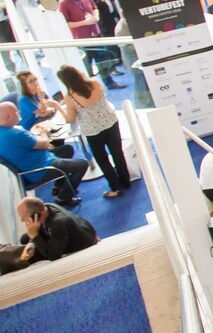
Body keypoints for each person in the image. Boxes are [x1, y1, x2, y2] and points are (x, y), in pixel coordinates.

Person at [55, 64, 131, 198]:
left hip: (93, 131)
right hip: (110, 122)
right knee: (117, 153)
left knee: (102, 159)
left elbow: (70, 119)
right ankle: (126, 181)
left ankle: (115, 187)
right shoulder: (95, 83)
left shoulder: (70, 97)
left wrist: (58, 106)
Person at [0, 101, 89, 206]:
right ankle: (63, 198)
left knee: (67, 149)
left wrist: (43, 144)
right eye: (15, 111)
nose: (19, 112)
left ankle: (58, 187)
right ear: (7, 117)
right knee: (82, 164)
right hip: (41, 169)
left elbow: (31, 144)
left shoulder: (6, 132)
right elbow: (44, 143)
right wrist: (44, 134)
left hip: (30, 165)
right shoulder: (16, 134)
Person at [16, 196, 97, 263]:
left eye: (24, 218)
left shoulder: (58, 223)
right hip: (76, 230)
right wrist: (32, 243)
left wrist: (34, 236)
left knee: (33, 257)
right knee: (25, 239)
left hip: (82, 243)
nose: (23, 221)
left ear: (36, 214)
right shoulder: (46, 207)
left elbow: (53, 256)